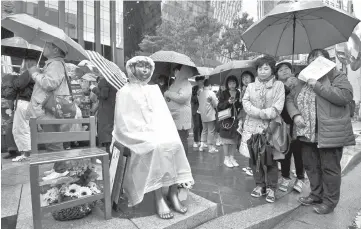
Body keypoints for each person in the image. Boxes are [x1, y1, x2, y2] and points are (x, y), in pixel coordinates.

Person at [111, 56, 194, 220]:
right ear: (131, 68)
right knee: (155, 147)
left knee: (174, 143)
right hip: (134, 134)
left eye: (147, 67)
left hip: (156, 130)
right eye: (140, 66)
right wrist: (145, 130)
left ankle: (172, 192)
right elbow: (123, 122)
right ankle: (158, 197)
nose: (144, 70)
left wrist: (159, 129)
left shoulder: (154, 89)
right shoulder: (124, 91)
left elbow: (163, 117)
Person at [286, 49, 355, 214]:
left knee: (330, 168)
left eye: (319, 60)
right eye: (312, 60)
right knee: (311, 166)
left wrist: (317, 86)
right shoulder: (301, 80)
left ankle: (329, 202)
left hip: (330, 132)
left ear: (328, 61)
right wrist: (295, 115)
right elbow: (290, 99)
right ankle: (316, 194)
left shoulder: (336, 76)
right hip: (306, 132)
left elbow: (345, 97)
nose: (315, 63)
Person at [240, 56, 285, 203]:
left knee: (271, 159)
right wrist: (258, 113)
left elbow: (278, 106)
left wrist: (264, 114)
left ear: (272, 69)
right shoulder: (251, 86)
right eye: (260, 68)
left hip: (271, 127)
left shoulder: (279, 85)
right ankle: (260, 185)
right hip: (252, 127)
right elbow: (245, 102)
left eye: (266, 68)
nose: (263, 71)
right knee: (255, 158)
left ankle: (272, 187)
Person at [27, 41, 72, 179]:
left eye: (46, 46)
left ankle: (61, 169)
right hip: (49, 108)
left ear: (55, 50)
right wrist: (41, 72)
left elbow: (49, 83)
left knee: (52, 139)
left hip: (48, 109)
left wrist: (35, 74)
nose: (43, 47)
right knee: (52, 138)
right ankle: (58, 167)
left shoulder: (56, 64)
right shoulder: (54, 64)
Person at [275, 62, 305, 193]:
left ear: (291, 71)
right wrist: (286, 86)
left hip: (298, 122)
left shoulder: (299, 82)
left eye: (287, 68)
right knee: (285, 152)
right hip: (282, 123)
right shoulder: (276, 86)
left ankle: (300, 178)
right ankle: (285, 177)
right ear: (276, 74)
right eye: (281, 70)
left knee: (299, 152)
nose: (284, 71)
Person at [164, 64, 195, 155]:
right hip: (173, 115)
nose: (175, 73)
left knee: (182, 139)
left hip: (181, 117)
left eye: (177, 71)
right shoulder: (175, 83)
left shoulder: (186, 83)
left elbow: (182, 97)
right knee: (175, 139)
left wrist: (168, 94)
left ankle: (183, 159)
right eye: (175, 71)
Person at [10, 58, 37, 161]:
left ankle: (26, 154)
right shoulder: (36, 74)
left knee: (20, 128)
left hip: (23, 103)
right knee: (23, 128)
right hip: (29, 103)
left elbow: (17, 85)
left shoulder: (27, 73)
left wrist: (15, 79)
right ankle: (26, 152)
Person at [218, 75, 242, 168]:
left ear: (236, 84)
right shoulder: (223, 93)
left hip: (236, 118)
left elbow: (240, 105)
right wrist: (228, 102)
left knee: (234, 140)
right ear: (227, 84)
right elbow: (219, 106)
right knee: (226, 140)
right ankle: (226, 158)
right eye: (230, 83)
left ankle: (232, 157)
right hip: (226, 119)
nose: (232, 84)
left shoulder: (239, 92)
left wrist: (239, 101)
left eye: (234, 82)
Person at [90, 77, 117, 154]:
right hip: (113, 108)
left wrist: (94, 88)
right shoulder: (114, 81)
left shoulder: (105, 81)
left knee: (105, 132)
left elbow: (104, 95)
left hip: (105, 110)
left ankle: (107, 155)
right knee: (111, 132)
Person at [239, 71, 255, 176]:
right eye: (243, 77)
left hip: (253, 119)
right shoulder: (244, 89)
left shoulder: (253, 88)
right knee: (248, 143)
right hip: (246, 119)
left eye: (247, 77)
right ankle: (250, 166)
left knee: (252, 143)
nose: (245, 79)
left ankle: (253, 167)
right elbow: (242, 105)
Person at [198, 79, 218, 153]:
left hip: (202, 114)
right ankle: (210, 147)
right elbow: (215, 104)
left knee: (204, 130)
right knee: (211, 131)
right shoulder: (211, 93)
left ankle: (202, 145)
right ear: (210, 85)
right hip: (210, 114)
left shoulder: (201, 93)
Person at [191, 76, 205, 149]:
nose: (200, 82)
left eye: (201, 80)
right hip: (196, 110)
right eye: (198, 81)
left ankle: (201, 141)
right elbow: (192, 99)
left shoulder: (206, 88)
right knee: (196, 126)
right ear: (196, 82)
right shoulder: (194, 88)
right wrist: (197, 95)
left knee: (202, 126)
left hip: (204, 110)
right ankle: (195, 141)